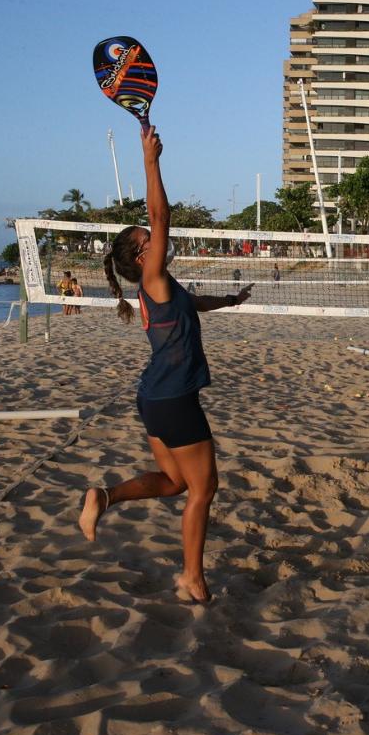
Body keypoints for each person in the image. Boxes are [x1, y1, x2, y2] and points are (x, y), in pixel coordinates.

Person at [79, 126, 253, 605]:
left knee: (176, 483)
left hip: (153, 397)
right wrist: (150, 159)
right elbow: (161, 212)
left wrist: (231, 300)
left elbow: (192, 303)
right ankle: (191, 579)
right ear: (141, 254)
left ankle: (104, 497)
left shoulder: (161, 286)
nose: (155, 235)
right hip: (173, 398)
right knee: (204, 489)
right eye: (147, 237)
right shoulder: (152, 276)